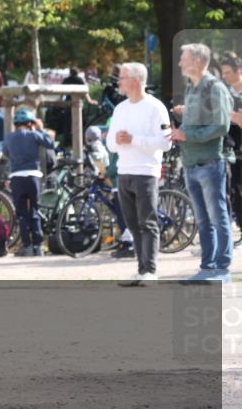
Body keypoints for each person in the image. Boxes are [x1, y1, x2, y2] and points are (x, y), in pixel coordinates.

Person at [104, 63, 171, 285]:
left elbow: (165, 142)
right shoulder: (120, 108)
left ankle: (150, 270)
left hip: (146, 172)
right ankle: (141, 270)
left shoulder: (155, 107)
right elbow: (110, 144)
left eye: (121, 78)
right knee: (132, 224)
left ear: (134, 80)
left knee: (147, 222)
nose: (118, 82)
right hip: (124, 172)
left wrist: (134, 140)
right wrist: (119, 140)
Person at [172, 43, 233, 285]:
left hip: (209, 163)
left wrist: (187, 135)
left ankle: (222, 269)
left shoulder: (214, 88)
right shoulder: (192, 88)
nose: (179, 64)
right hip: (191, 163)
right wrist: (180, 127)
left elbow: (220, 126)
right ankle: (207, 268)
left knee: (218, 218)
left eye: (183, 59)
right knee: (203, 220)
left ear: (198, 62)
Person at [3, 107, 55, 257]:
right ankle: (38, 245)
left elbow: (6, 152)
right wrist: (40, 129)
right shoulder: (35, 135)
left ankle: (27, 245)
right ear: (30, 123)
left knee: (21, 213)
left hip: (17, 176)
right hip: (33, 175)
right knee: (34, 210)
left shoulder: (9, 137)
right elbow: (50, 144)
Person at [221, 52, 242, 239]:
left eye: (228, 72)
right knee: (234, 190)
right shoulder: (225, 95)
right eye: (223, 73)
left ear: (239, 71)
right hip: (233, 151)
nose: (225, 77)